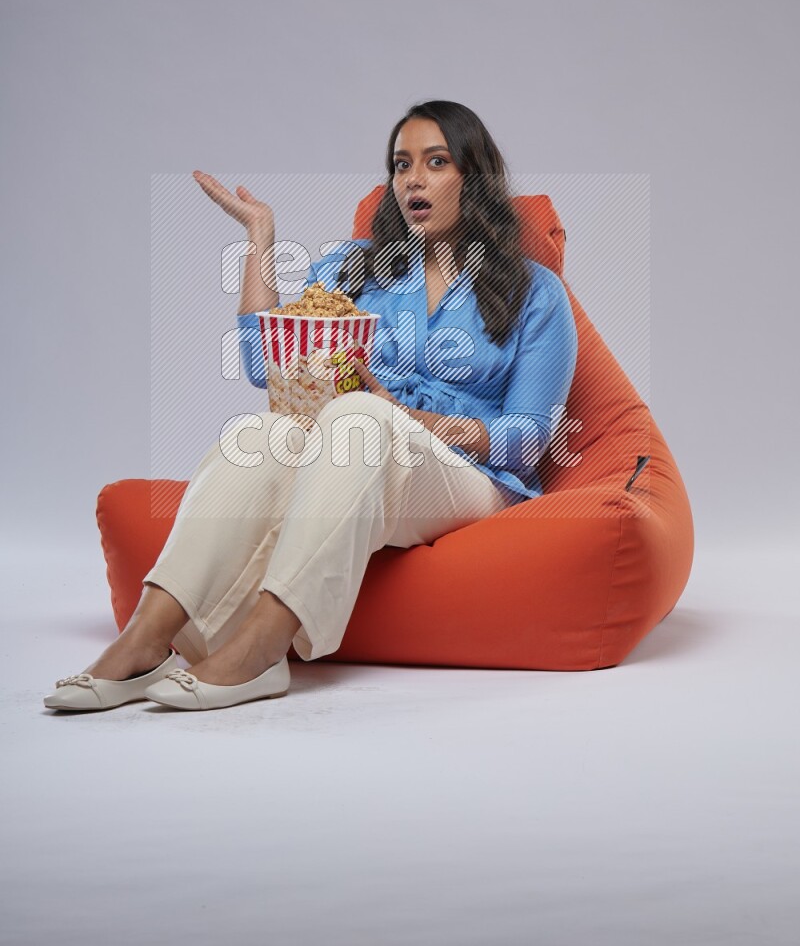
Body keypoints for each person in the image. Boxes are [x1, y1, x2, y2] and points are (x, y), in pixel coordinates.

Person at [43, 100, 578, 712]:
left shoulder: (537, 293)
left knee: (361, 417)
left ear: (473, 177)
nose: (414, 180)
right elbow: (263, 362)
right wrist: (260, 239)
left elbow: (529, 437)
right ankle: (147, 637)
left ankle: (262, 649)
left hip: (471, 479)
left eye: (436, 163)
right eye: (401, 165)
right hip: (356, 457)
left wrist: (414, 421)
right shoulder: (356, 269)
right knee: (262, 432)